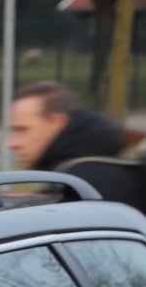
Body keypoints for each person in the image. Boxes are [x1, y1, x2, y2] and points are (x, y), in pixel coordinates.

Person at [8, 81, 146, 211]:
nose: (12, 143)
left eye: (22, 130)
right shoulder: (92, 170)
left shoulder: (81, 186)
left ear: (57, 123)